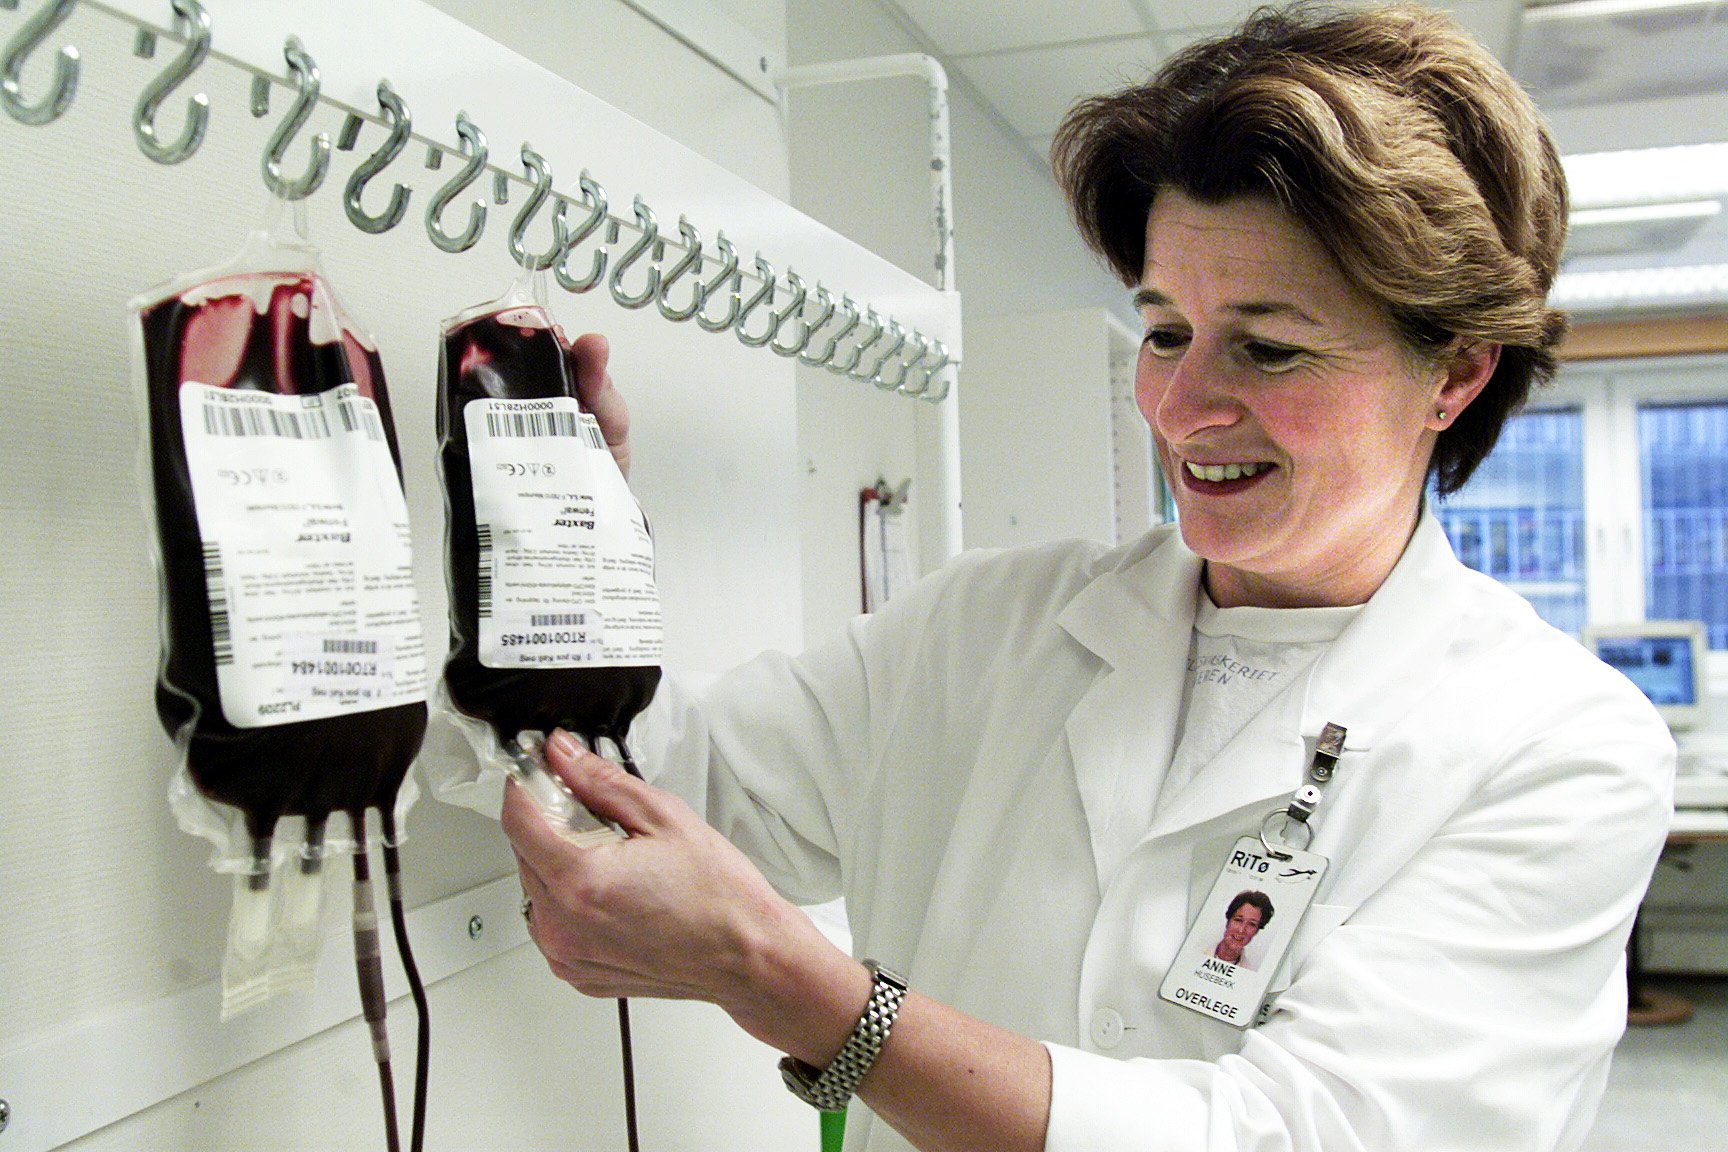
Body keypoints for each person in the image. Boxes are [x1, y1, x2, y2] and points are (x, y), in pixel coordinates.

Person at [502, 4, 1675, 1150]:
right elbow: (653, 784)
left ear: (1454, 375)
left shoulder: (1559, 745)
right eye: (1165, 332)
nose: (1180, 406)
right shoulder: (986, 627)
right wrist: (563, 567)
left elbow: (1303, 1132)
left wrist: (797, 990)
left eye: (1268, 347)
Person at [1213, 891, 1273, 970]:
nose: (1241, 930)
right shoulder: (1199, 951)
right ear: (1228, 921)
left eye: (1252, 924)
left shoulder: (1250, 971)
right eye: (1238, 920)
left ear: (1256, 931)